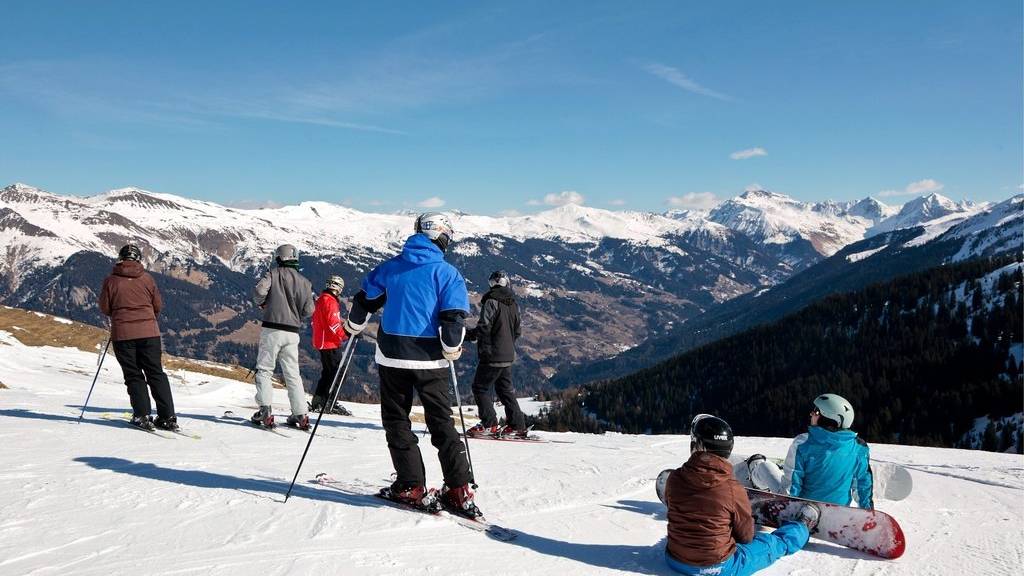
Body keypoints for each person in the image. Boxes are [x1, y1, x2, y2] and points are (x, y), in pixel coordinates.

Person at [343, 212, 478, 517]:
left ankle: (410, 485)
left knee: (397, 421)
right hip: (430, 360)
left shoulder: (391, 268)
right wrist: (451, 347)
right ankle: (458, 489)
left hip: (391, 356)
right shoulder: (447, 274)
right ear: (442, 237)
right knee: (441, 423)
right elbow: (453, 319)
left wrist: (354, 324)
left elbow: (364, 301)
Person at [664, 414, 817, 576]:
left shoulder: (674, 478)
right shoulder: (732, 488)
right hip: (718, 568)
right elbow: (746, 537)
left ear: (697, 445)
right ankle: (802, 526)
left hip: (674, 559)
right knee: (773, 544)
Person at [744, 393, 874, 509]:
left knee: (763, 465)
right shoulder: (858, 447)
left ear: (827, 418)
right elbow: (863, 484)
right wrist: (867, 512)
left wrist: (788, 511)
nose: (811, 413)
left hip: (803, 510)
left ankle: (754, 477)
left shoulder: (803, 443)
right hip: (838, 512)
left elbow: (790, 487)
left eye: (816, 412)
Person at [98, 244, 178, 431]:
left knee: (134, 375)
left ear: (120, 258)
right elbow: (157, 305)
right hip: (149, 333)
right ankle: (167, 417)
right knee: (156, 373)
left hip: (123, 334)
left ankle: (142, 416)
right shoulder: (147, 278)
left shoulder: (111, 281)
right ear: (138, 259)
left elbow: (105, 308)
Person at [251, 244, 315, 430]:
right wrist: (296, 314)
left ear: (279, 258)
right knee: (293, 373)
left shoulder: (273, 274)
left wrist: (263, 304)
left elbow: (259, 291)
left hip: (272, 329)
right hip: (292, 332)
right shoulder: (305, 281)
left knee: (264, 369)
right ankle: (301, 413)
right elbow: (309, 310)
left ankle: (265, 410)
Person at [465, 270, 526, 438]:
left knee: (480, 388)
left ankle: (489, 425)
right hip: (508, 355)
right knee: (505, 390)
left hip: (492, 355)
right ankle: (517, 425)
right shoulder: (513, 303)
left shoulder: (491, 301)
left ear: (492, 284)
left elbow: (484, 327)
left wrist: (468, 335)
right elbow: (518, 331)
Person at [310, 274, 352, 416]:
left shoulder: (322, 299)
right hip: (329, 342)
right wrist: (345, 335)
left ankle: (318, 401)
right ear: (339, 288)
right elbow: (333, 323)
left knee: (328, 373)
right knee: (338, 373)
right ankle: (329, 402)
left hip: (322, 341)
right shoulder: (330, 302)